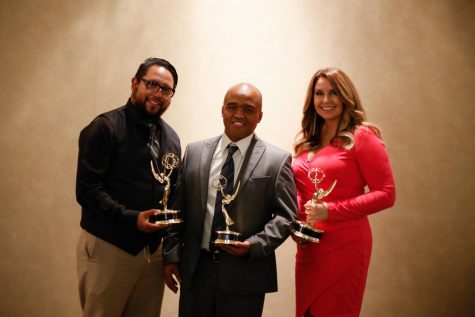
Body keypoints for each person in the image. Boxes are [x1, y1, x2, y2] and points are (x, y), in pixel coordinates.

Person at [162, 83, 298, 317]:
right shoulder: (194, 152)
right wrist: (171, 256)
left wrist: (255, 245)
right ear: (222, 110)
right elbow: (178, 208)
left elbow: (287, 217)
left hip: (246, 275)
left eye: (248, 109)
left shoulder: (277, 160)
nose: (238, 114)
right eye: (232, 107)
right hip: (196, 271)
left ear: (260, 116)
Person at [75, 57, 181, 317]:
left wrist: (169, 252)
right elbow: (87, 190)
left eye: (166, 90)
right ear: (135, 83)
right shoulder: (104, 128)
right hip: (110, 246)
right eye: (152, 84)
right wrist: (131, 219)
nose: (158, 94)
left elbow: (172, 195)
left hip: (153, 254)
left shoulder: (171, 139)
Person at [291, 67, 396, 317]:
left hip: (345, 244)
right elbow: (301, 190)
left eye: (333, 93)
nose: (326, 101)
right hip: (309, 247)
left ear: (346, 96)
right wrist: (295, 222)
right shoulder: (308, 141)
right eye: (319, 93)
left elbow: (386, 193)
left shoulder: (362, 136)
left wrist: (330, 210)